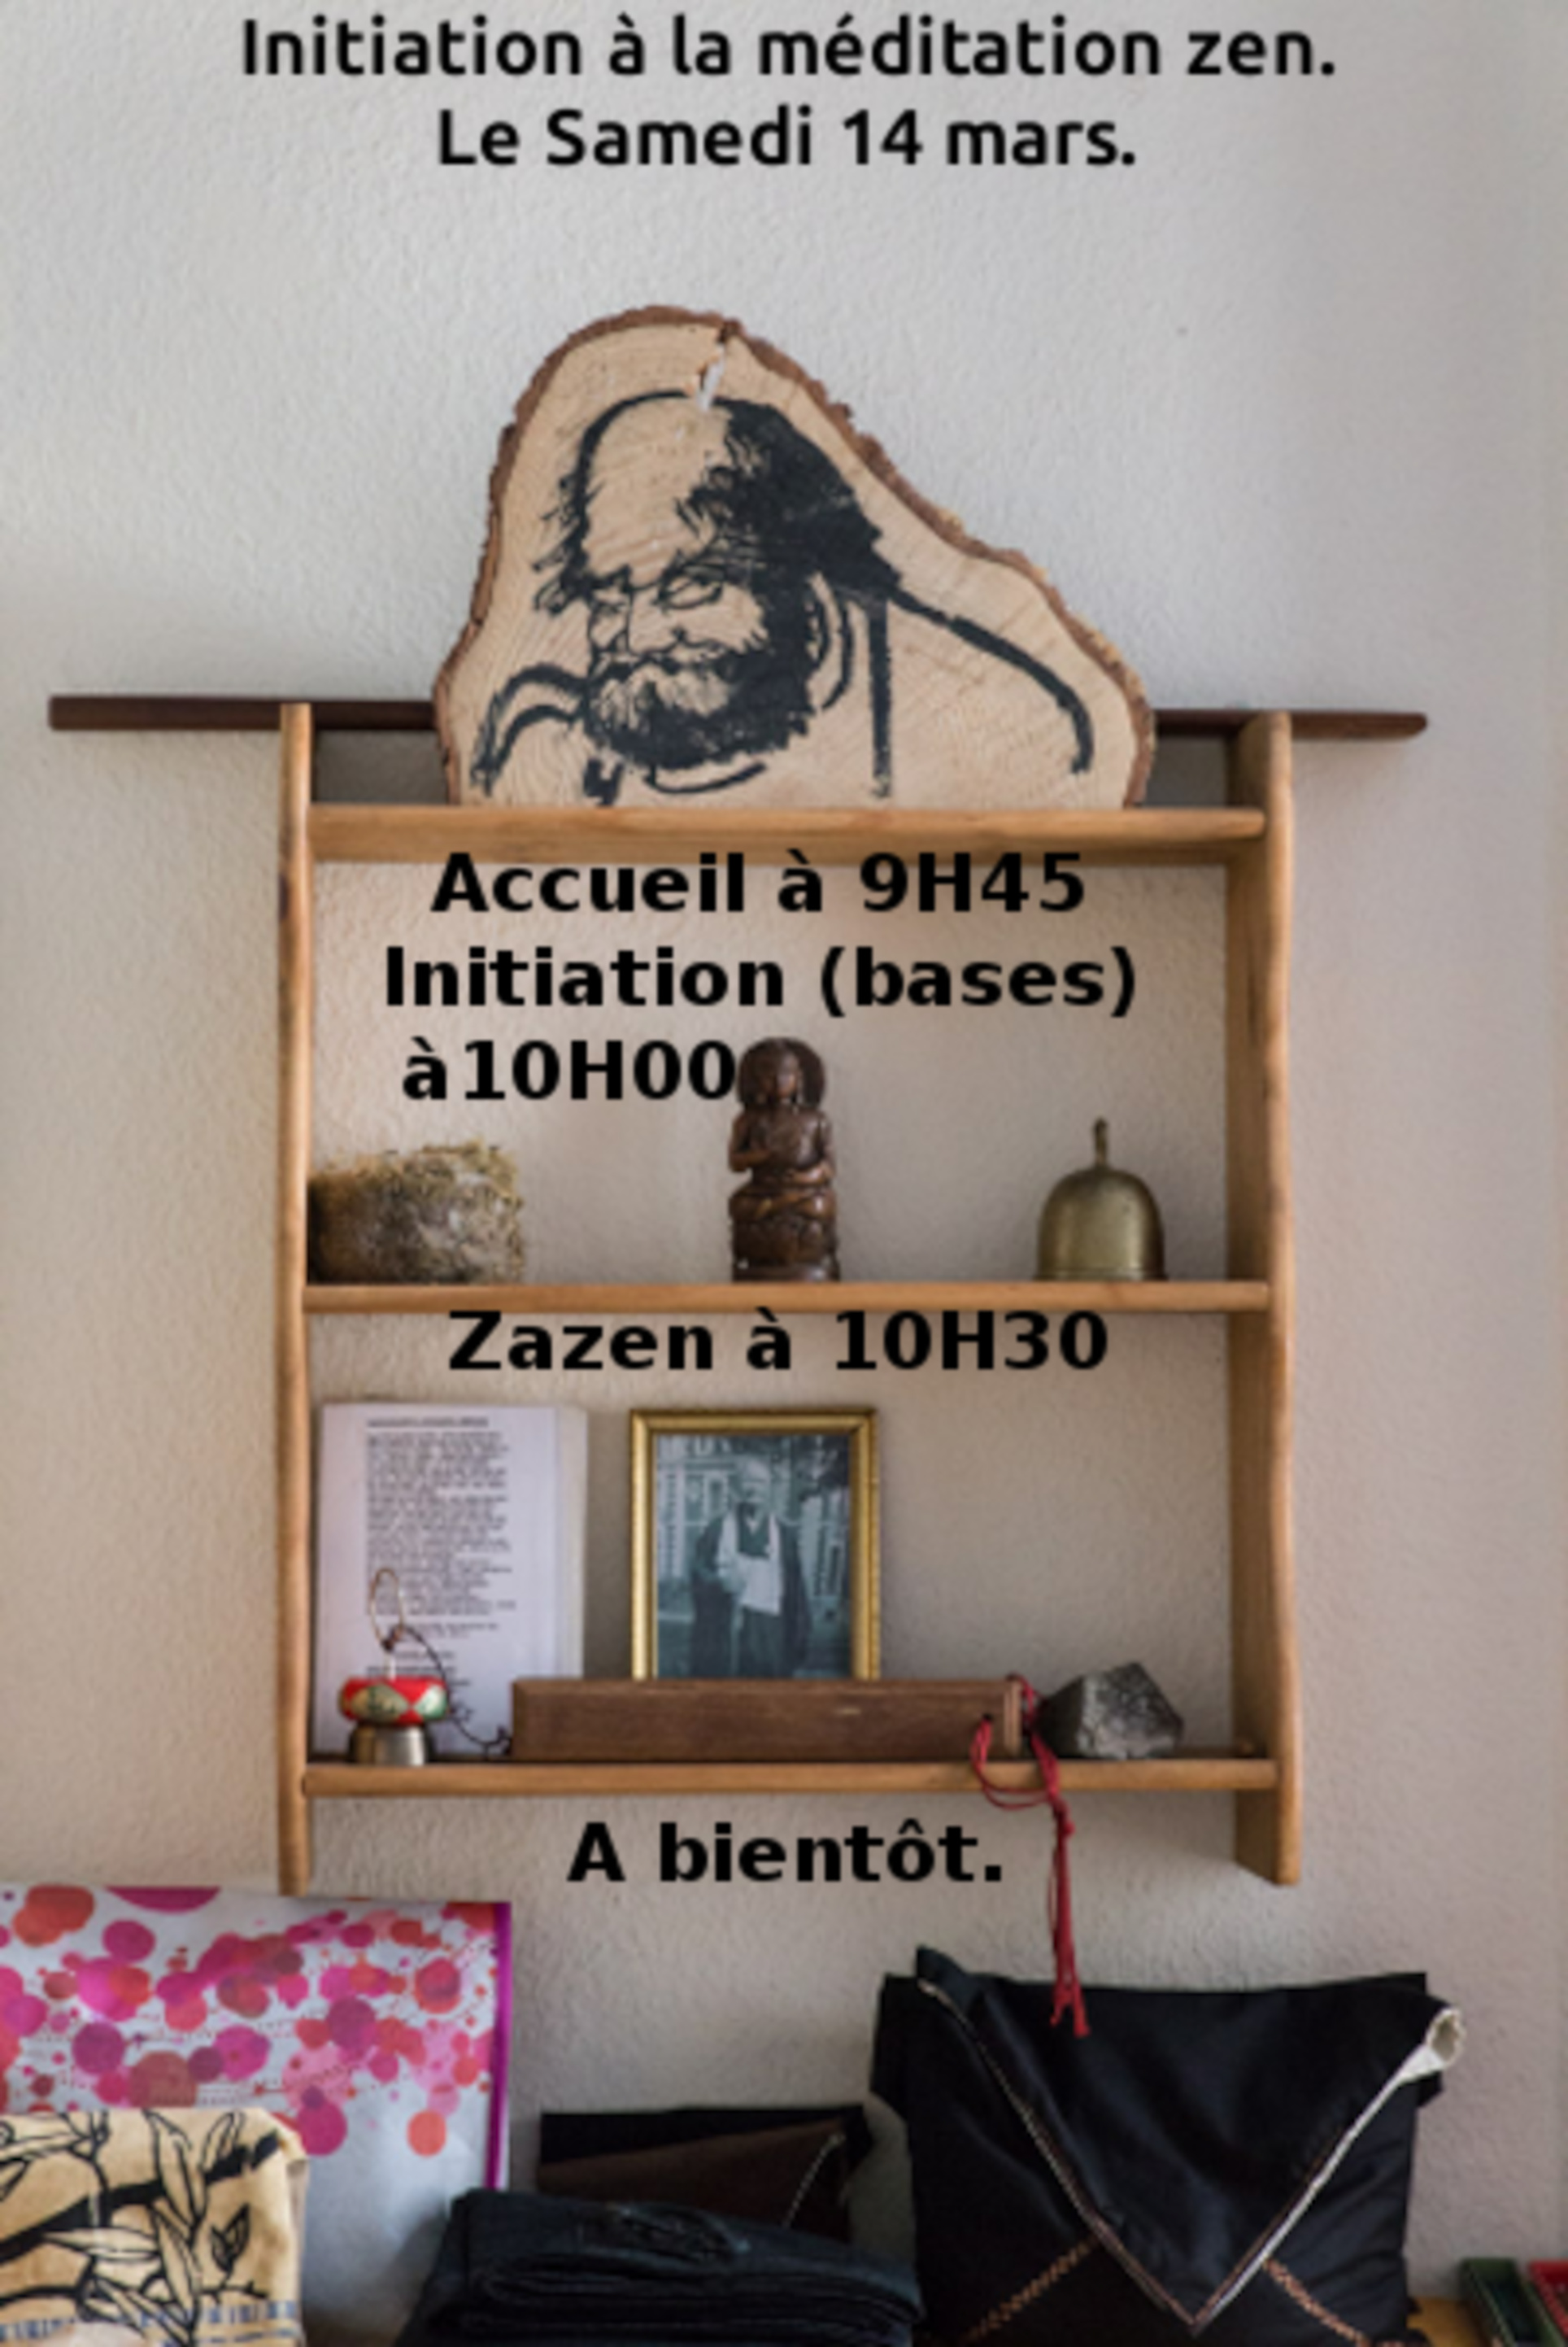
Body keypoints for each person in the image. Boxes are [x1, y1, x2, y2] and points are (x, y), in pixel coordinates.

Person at [469, 391, 1093, 805]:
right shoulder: (541, 730)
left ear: (806, 583)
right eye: (609, 599)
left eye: (691, 588)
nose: (639, 635)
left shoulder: (1001, 719)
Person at [687, 1454, 812, 1678]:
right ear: (738, 1486)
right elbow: (698, 1573)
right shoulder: (717, 1530)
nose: (754, 1488)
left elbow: (795, 1593)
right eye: (748, 1481)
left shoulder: (784, 1536)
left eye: (760, 1482)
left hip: (769, 1635)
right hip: (727, 1634)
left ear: (770, 1488)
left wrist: (797, 1639)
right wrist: (720, 1583)